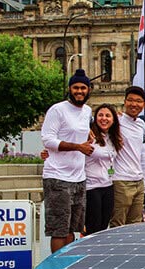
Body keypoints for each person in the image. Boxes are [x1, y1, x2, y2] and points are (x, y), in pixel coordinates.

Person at [40, 69, 93, 252]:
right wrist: (78, 147)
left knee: (73, 228)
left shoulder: (87, 111)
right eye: (76, 88)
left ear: (88, 90)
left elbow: (81, 131)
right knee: (59, 229)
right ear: (70, 89)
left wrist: (88, 137)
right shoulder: (57, 109)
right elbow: (48, 140)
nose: (79, 91)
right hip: (58, 177)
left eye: (83, 88)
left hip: (79, 177)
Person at [110, 86, 145, 227]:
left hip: (139, 181)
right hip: (121, 181)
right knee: (118, 224)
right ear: (124, 102)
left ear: (143, 104)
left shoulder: (141, 124)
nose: (134, 104)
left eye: (138, 101)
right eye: (130, 100)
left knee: (135, 224)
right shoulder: (116, 121)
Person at [84, 104, 123, 234]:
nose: (104, 118)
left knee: (103, 227)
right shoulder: (89, 136)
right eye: (100, 115)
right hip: (92, 187)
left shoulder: (112, 138)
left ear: (113, 120)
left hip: (108, 185)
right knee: (93, 227)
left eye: (108, 115)